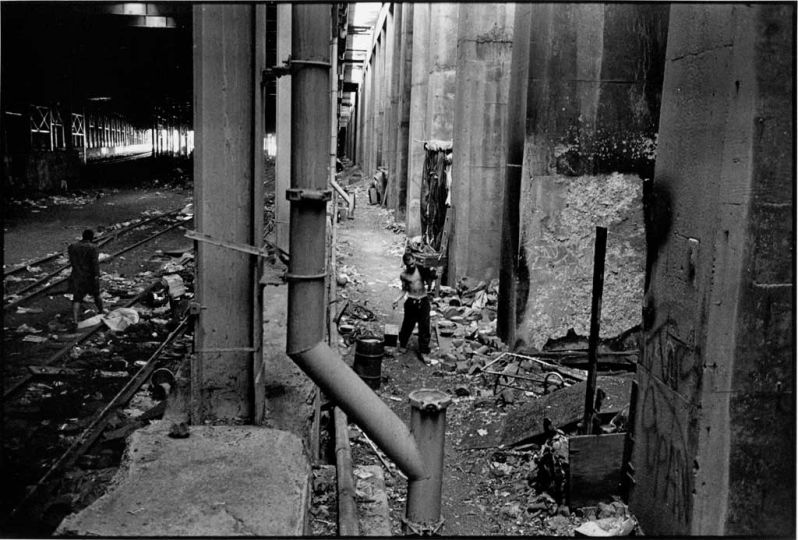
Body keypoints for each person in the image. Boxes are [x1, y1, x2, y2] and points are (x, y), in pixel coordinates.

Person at [392, 252, 436, 356]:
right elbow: (404, 290)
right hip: (411, 301)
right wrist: (396, 300)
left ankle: (424, 350)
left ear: (414, 260)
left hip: (423, 300)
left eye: (412, 263)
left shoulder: (421, 270)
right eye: (408, 265)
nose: (411, 266)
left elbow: (432, 278)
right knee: (407, 325)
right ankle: (403, 345)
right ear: (405, 264)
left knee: (424, 326)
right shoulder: (403, 275)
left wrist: (433, 272)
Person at [68, 229, 103, 327]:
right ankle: (101, 311)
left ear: (83, 236)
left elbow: (72, 262)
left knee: (77, 298)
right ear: (91, 237)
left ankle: (75, 320)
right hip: (90, 276)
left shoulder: (73, 246)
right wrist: (96, 275)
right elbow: (94, 263)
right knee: (96, 295)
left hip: (77, 275)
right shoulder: (93, 248)